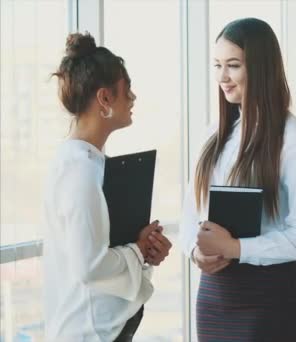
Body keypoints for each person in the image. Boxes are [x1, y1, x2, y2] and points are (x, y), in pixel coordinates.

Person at [178, 18, 296, 341]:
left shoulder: (295, 139)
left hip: (268, 297)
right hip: (215, 294)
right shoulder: (213, 134)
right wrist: (195, 251)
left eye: (233, 65)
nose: (222, 77)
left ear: (260, 68)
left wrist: (235, 248)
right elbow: (191, 214)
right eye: (217, 65)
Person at [43, 32, 172, 341]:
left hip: (103, 329)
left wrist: (145, 250)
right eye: (127, 90)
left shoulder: (89, 162)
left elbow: (103, 251)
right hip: (88, 333)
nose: (134, 98)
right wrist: (139, 250)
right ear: (105, 98)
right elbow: (90, 265)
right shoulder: (81, 170)